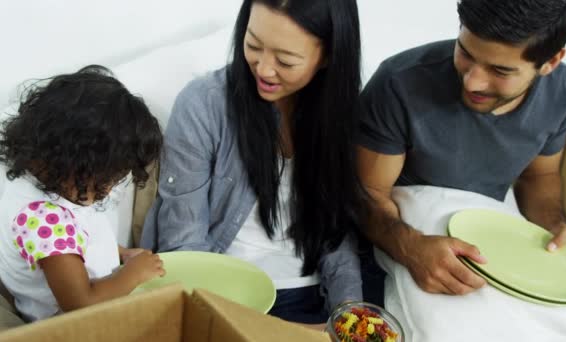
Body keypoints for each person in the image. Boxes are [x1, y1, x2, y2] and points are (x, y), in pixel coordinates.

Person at [141, 0, 367, 325]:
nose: (262, 68)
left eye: (285, 61)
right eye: (253, 45)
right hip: (219, 290)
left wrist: (348, 314)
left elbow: (336, 234)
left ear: (328, 57)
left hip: (304, 295)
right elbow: (183, 243)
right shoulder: (203, 105)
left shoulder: (341, 116)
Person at [357, 0, 566, 296]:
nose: (473, 82)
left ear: (551, 62)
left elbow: (539, 177)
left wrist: (553, 227)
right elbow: (365, 193)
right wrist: (411, 248)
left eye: (500, 71)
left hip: (485, 244)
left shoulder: (563, 91)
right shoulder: (399, 82)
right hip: (394, 239)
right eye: (465, 52)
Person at [0, 65, 166, 322]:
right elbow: (80, 302)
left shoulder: (37, 180)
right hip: (72, 326)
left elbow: (79, 237)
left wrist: (121, 253)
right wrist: (132, 275)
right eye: (107, 180)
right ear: (73, 161)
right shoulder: (46, 220)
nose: (109, 190)